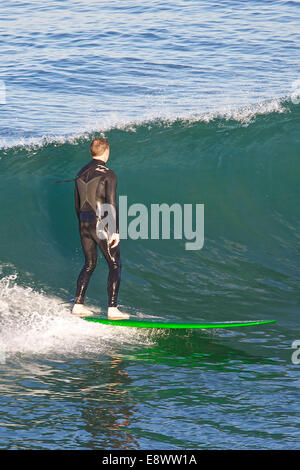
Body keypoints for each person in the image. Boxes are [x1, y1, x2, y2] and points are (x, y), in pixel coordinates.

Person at [72, 138, 129, 320]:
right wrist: (115, 230)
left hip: (84, 222)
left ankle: (78, 305)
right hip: (101, 223)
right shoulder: (108, 173)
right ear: (106, 150)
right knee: (114, 264)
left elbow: (77, 204)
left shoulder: (80, 172)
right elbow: (111, 203)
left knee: (89, 264)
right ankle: (112, 309)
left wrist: (83, 224)